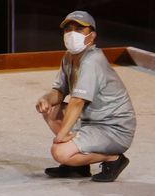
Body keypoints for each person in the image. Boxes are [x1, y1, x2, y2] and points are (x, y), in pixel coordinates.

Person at [36, 10, 136, 182]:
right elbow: (59, 92)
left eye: (79, 29)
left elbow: (77, 101)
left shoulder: (92, 61)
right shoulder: (69, 58)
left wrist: (61, 136)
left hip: (113, 128)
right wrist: (46, 99)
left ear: (92, 36)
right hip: (91, 121)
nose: (71, 34)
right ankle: (78, 167)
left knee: (59, 152)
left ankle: (113, 158)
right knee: (50, 109)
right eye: (68, 29)